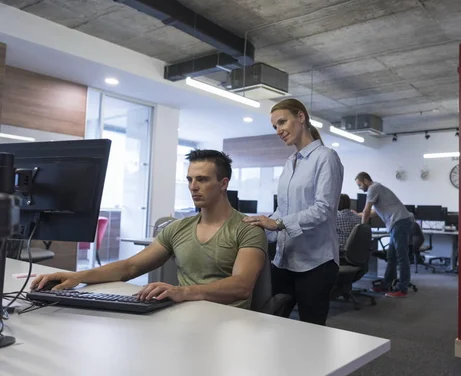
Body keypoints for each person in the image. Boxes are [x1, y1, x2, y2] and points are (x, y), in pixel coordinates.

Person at [31, 150, 267, 309]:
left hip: (228, 320)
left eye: (202, 179)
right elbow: (130, 266)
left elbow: (241, 286)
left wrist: (181, 292)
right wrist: (76, 277)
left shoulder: (247, 228)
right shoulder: (178, 228)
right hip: (183, 314)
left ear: (223, 183)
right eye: (189, 179)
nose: (193, 187)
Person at [243, 98, 343, 325]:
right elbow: (284, 209)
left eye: (282, 122)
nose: (278, 130)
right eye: (275, 126)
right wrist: (262, 223)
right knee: (272, 323)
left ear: (301, 117)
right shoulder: (290, 162)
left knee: (310, 331)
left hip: (316, 262)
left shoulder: (326, 157)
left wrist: (278, 224)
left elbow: (324, 209)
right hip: (285, 259)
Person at [355, 172, 413, 298]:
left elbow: (367, 210)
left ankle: (402, 289)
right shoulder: (379, 188)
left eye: (359, 184)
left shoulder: (372, 188)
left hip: (399, 222)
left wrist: (361, 230)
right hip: (398, 222)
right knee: (391, 255)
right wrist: (356, 214)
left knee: (401, 256)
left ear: (365, 180)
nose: (359, 188)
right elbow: (373, 212)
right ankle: (386, 284)